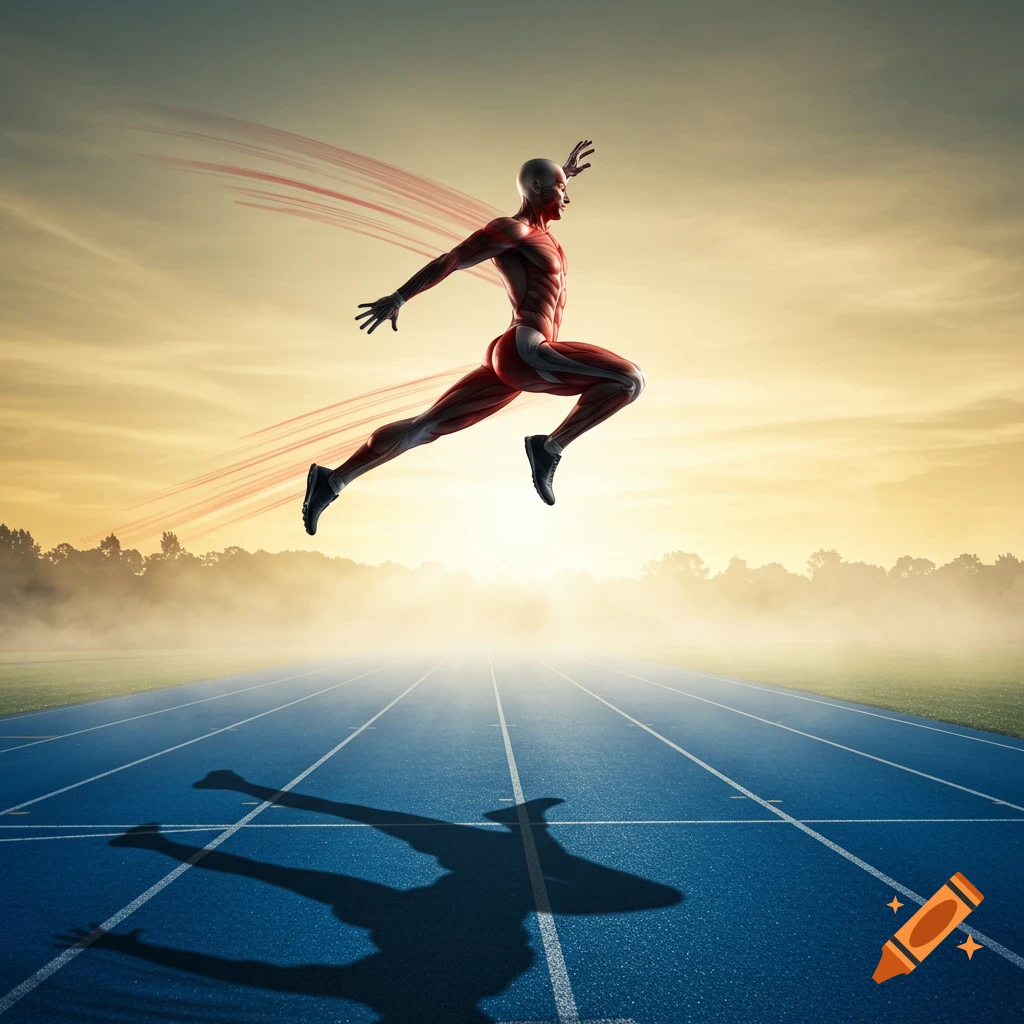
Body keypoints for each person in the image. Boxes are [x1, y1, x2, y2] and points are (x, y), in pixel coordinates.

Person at [303, 141, 645, 535]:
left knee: (424, 427)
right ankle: (549, 448)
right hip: (527, 349)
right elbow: (454, 258)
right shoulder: (512, 230)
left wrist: (562, 173)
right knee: (629, 380)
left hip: (519, 357)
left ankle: (333, 480)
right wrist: (400, 296)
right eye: (560, 189)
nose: (567, 197)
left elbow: (549, 188)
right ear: (535, 188)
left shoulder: (547, 237)